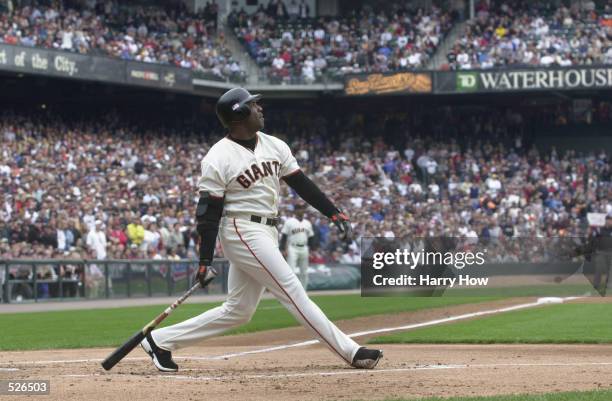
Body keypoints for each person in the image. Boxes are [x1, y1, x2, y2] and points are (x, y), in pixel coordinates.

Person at [140, 87, 382, 372]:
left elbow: (300, 182)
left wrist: (333, 212)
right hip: (241, 228)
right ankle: (351, 351)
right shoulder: (218, 157)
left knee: (239, 311)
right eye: (253, 105)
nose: (260, 109)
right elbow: (208, 214)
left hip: (267, 229)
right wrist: (205, 260)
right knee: (292, 289)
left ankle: (160, 340)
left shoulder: (274, 145)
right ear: (239, 114)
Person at [280, 204, 315, 289]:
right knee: (291, 272)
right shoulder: (289, 222)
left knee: (304, 272)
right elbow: (284, 236)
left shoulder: (307, 223)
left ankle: (304, 293)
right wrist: (283, 249)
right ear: (295, 211)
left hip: (304, 248)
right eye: (299, 209)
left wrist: (312, 250)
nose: (301, 211)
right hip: (293, 248)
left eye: (302, 209)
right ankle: (290, 294)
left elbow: (311, 237)